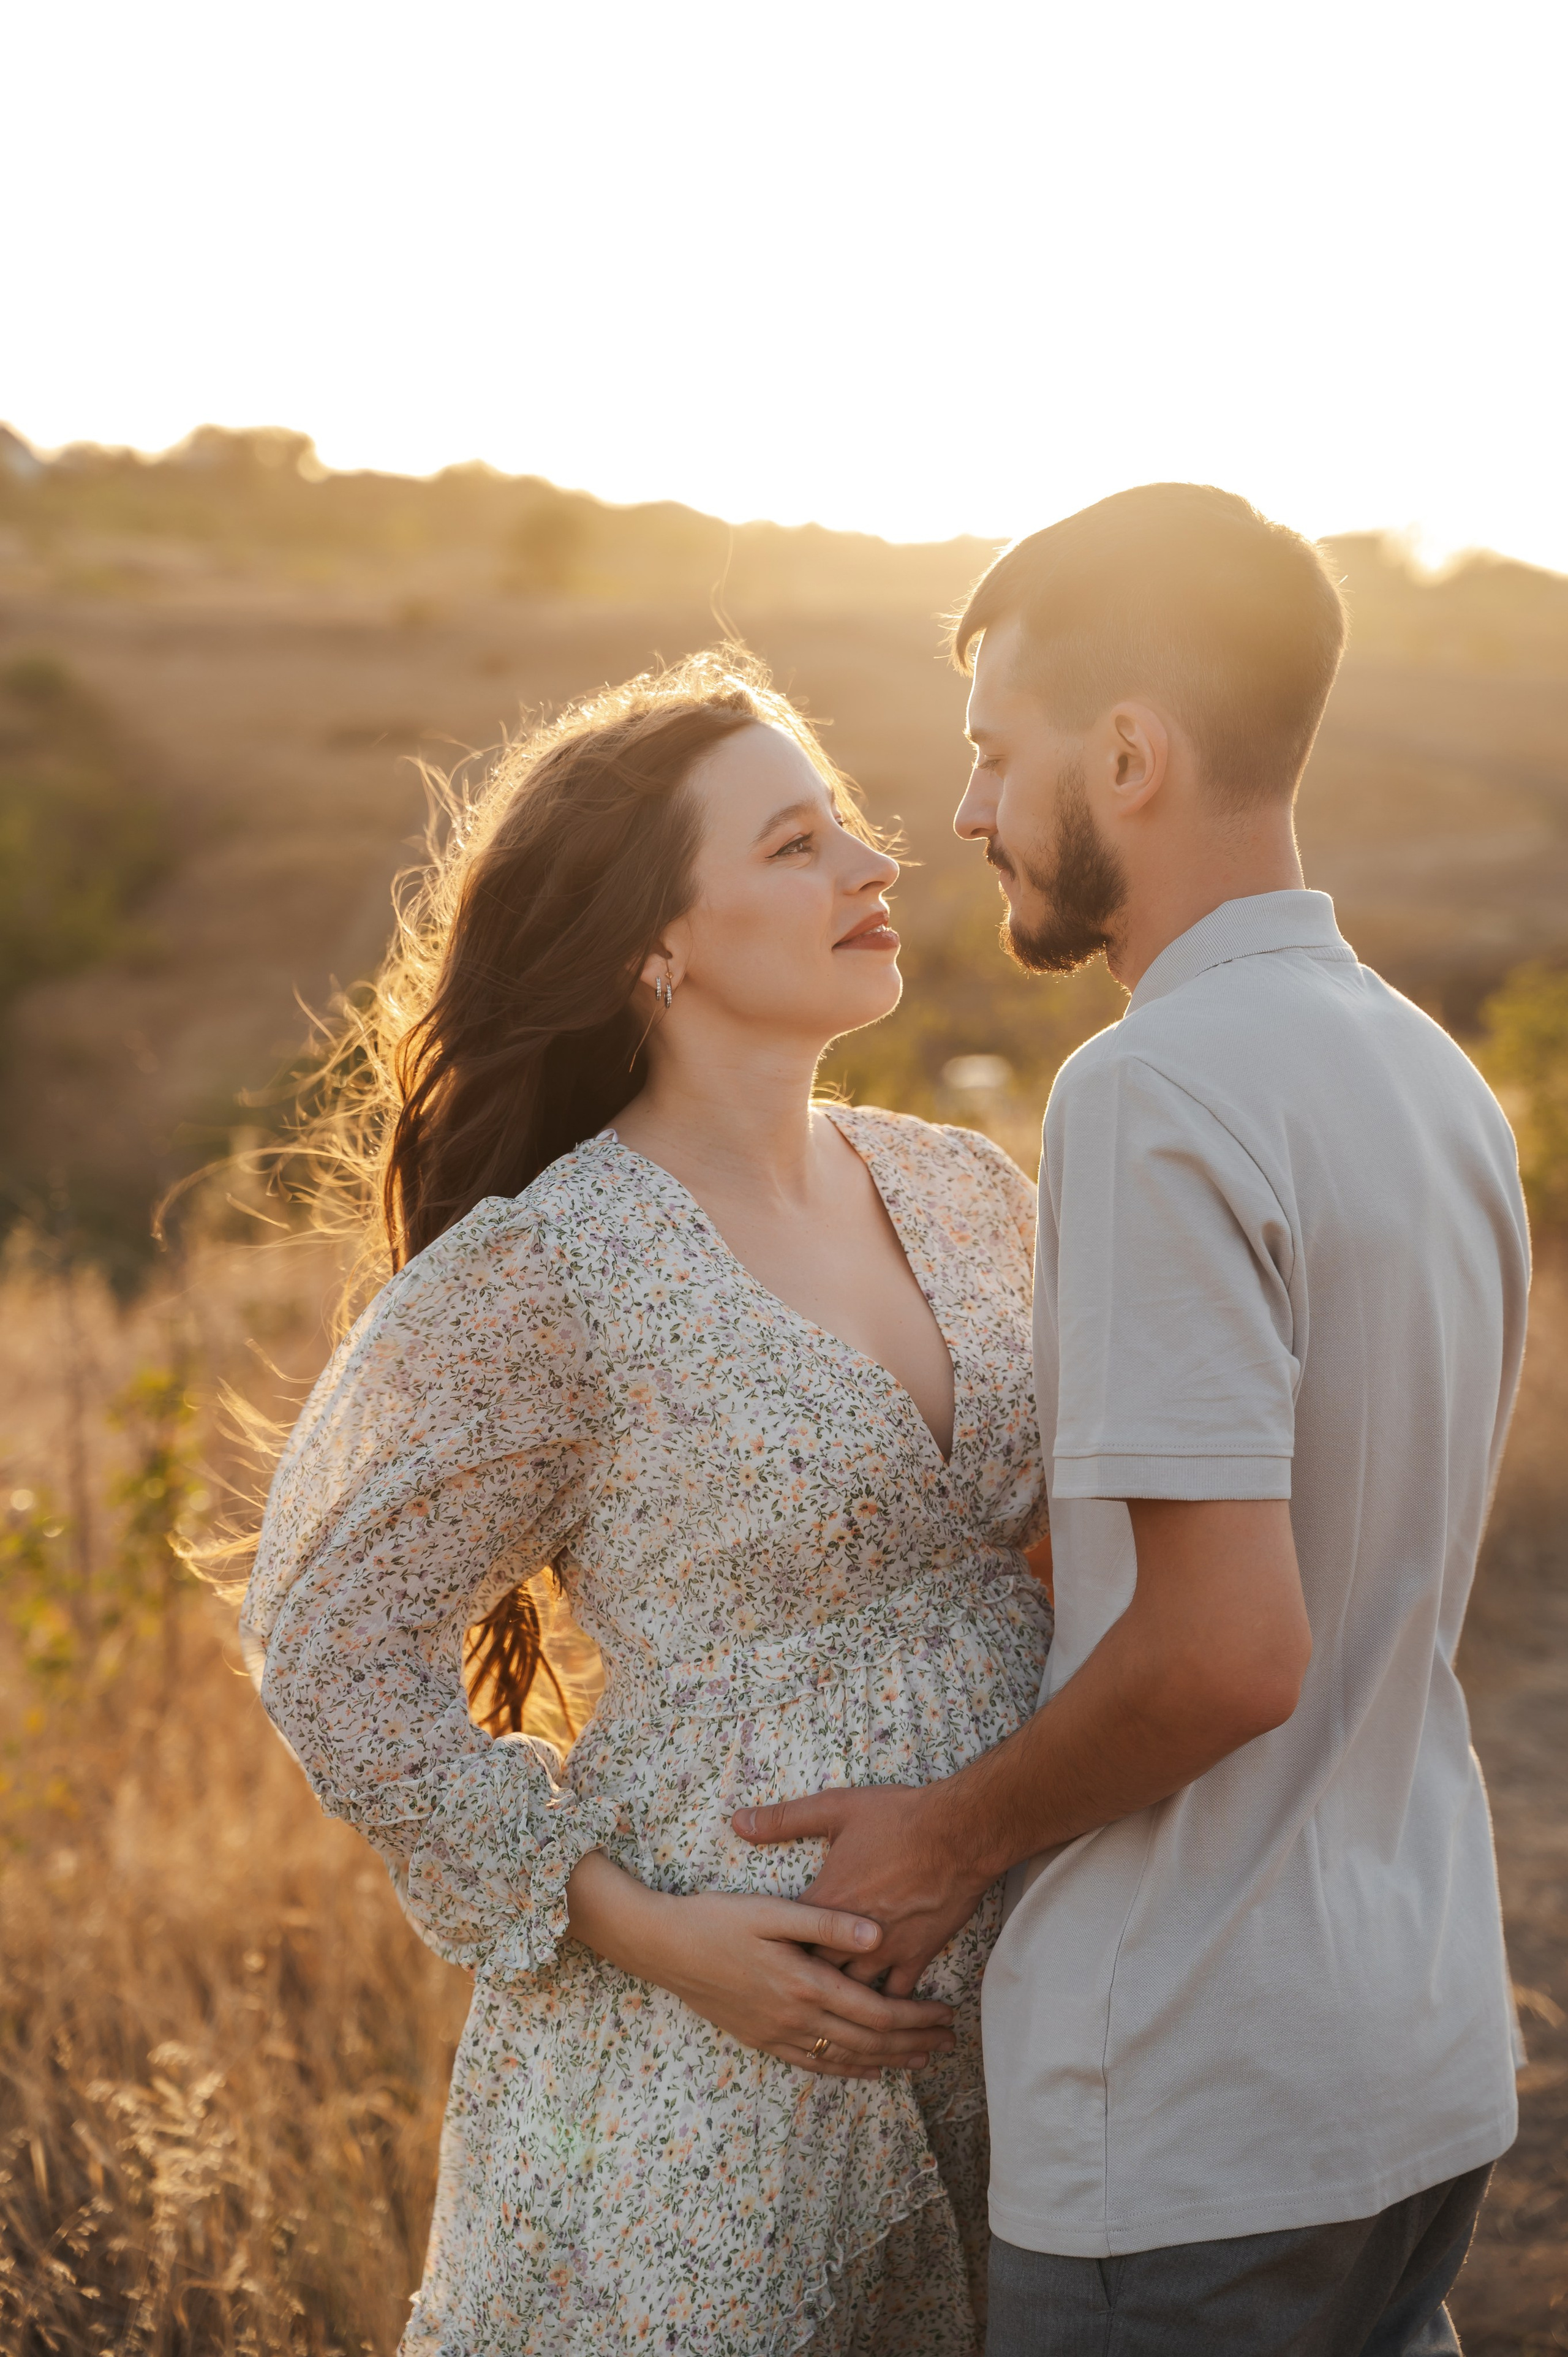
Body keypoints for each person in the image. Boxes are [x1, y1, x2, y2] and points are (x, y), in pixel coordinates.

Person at [737, 486, 1531, 2355]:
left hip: (1195, 2105)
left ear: (1128, 753)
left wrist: (945, 1836)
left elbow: (1226, 1653)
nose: (966, 814)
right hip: (1412, 2064)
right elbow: (1330, 1529)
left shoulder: (1150, 1087)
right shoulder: (1427, 1074)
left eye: (997, 756)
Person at [239, 649, 1053, 2356]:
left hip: (1021, 1989)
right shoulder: (550, 1270)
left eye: (847, 829)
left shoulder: (967, 1187)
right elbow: (328, 1649)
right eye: (793, 847)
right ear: (651, 948)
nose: (873, 868)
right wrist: (656, 1937)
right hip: (717, 2044)